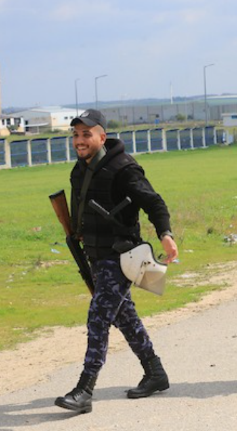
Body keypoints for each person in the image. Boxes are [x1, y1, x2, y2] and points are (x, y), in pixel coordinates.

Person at [55, 109, 178, 413]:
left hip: (121, 257)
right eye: (76, 134)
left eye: (86, 134)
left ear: (102, 136)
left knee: (98, 317)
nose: (80, 140)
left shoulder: (124, 169)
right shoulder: (80, 169)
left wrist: (165, 233)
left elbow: (154, 202)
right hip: (96, 256)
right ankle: (155, 373)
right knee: (125, 318)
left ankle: (84, 389)